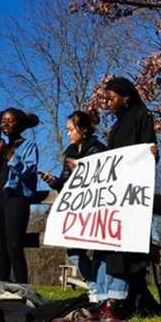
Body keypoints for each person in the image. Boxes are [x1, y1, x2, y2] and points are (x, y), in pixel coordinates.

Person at [99, 77, 159, 313]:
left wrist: (151, 153)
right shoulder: (115, 127)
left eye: (111, 98)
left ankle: (134, 299)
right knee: (115, 247)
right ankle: (123, 297)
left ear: (126, 97)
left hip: (134, 194)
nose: (108, 103)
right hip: (116, 194)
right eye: (106, 99)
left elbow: (150, 151)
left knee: (132, 248)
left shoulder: (142, 117)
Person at [40, 110, 106, 300]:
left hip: (94, 206)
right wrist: (53, 181)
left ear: (83, 129)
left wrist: (82, 170)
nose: (68, 133)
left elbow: (103, 178)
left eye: (71, 129)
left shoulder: (98, 148)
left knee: (100, 250)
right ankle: (94, 286)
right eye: (67, 129)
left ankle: (102, 293)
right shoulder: (69, 152)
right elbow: (65, 182)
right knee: (73, 250)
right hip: (75, 208)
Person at [0, 108, 39, 283]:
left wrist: (7, 152)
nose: (6, 124)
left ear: (20, 124)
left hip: (16, 199)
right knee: (0, 250)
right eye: (3, 120)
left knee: (14, 247)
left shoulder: (29, 146)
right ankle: (1, 291)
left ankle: (23, 292)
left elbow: (28, 171)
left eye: (11, 120)